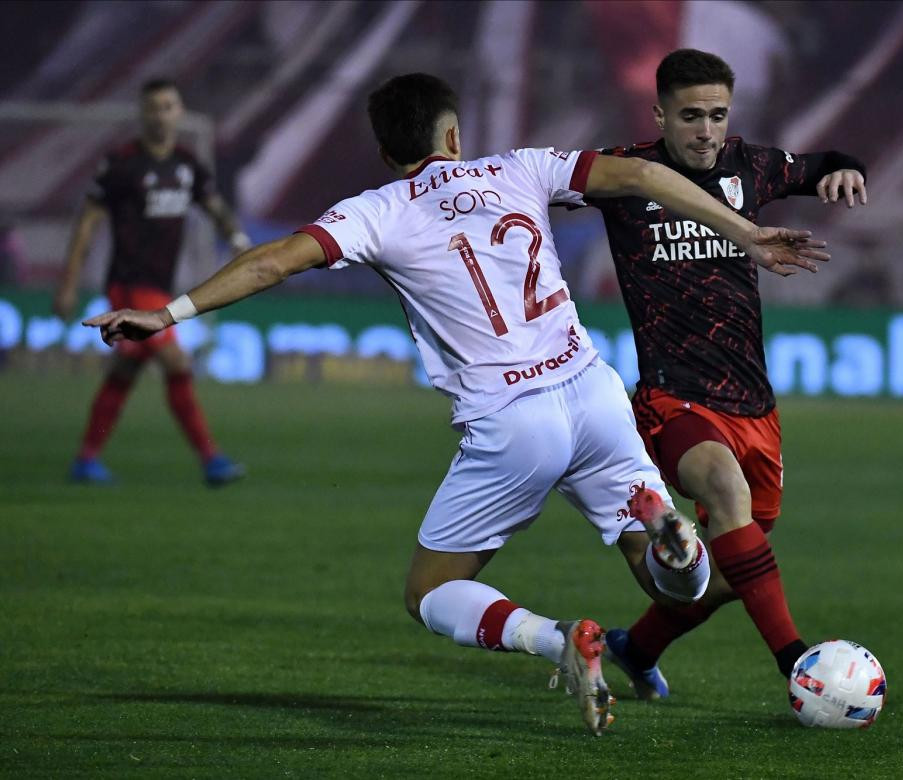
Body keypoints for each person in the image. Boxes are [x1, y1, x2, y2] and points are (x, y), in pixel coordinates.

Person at [84, 73, 829, 735]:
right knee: (673, 580)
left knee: (431, 591)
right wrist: (746, 232)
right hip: (594, 392)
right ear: (454, 134)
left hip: (513, 422)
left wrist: (170, 312)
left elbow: (274, 260)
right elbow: (638, 173)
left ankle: (556, 638)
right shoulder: (520, 169)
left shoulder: (375, 210)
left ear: (386, 154)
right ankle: (665, 524)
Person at [579, 49, 868, 699]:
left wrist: (845, 170)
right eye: (690, 117)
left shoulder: (750, 166)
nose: (705, 130)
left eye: (716, 115)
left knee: (734, 572)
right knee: (723, 491)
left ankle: (636, 646)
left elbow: (824, 164)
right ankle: (799, 668)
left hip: (755, 409)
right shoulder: (628, 175)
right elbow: (540, 182)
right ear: (660, 115)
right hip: (674, 398)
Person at [54, 78, 250, 486]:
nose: (160, 114)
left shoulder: (186, 165)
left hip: (160, 287)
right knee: (177, 362)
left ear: (178, 112)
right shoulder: (122, 164)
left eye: (167, 106)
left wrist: (236, 239)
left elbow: (214, 207)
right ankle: (211, 459)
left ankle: (86, 458)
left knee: (125, 370)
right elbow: (88, 222)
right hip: (128, 288)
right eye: (153, 107)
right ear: (142, 114)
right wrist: (69, 282)